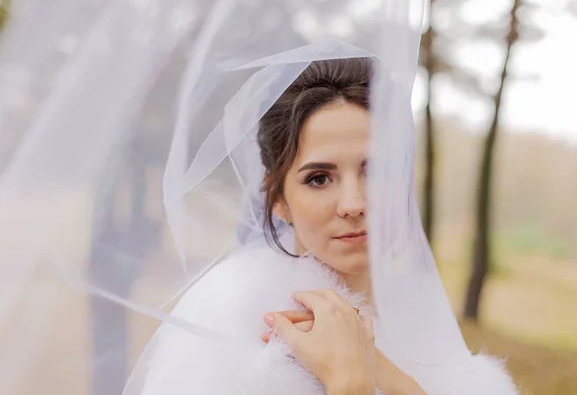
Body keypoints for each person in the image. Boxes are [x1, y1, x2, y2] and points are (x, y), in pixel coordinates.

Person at [137, 58, 519, 395]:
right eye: (319, 178)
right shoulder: (229, 327)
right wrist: (352, 386)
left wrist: (392, 379)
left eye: (377, 171)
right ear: (279, 199)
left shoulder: (421, 325)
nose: (354, 204)